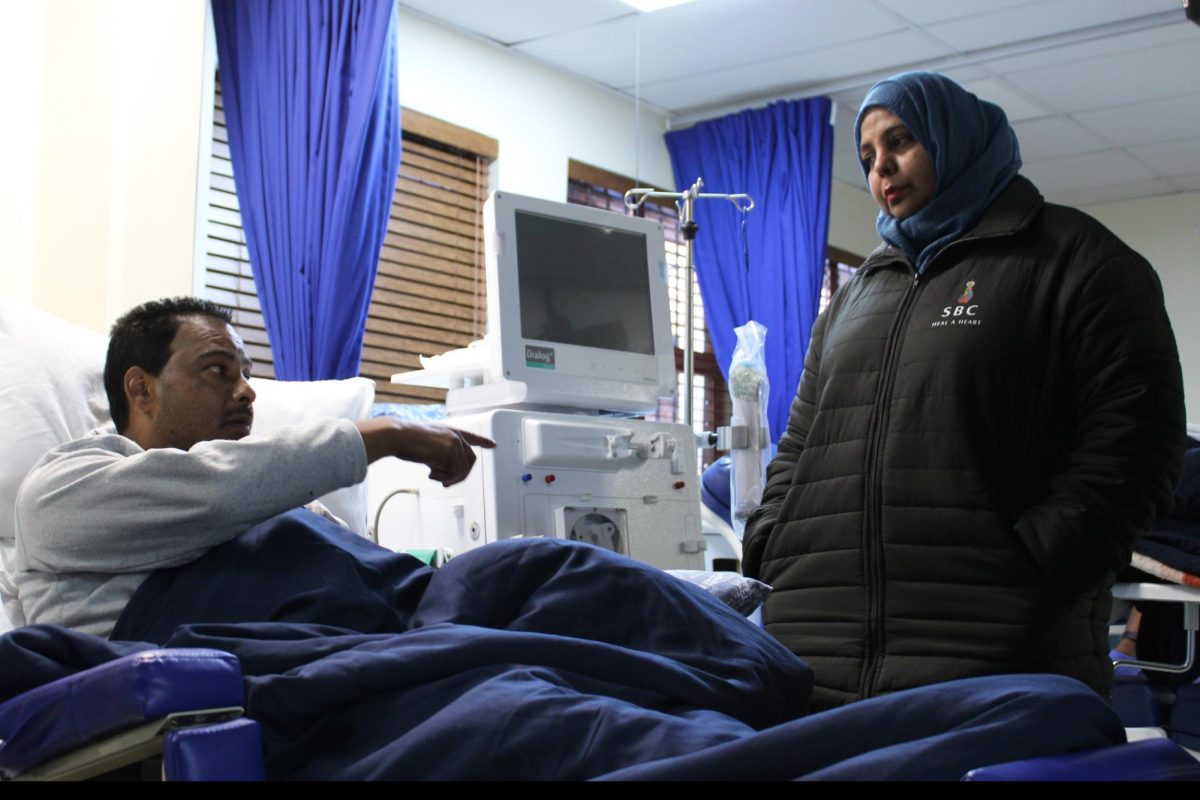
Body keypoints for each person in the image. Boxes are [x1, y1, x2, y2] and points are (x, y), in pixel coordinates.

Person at [741, 71, 1186, 711]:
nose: (882, 168)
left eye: (901, 141)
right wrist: (771, 542)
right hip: (818, 655)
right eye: (867, 157)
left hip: (992, 653)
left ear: (956, 140)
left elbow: (1136, 446)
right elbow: (800, 444)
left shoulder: (1079, 261)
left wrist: (1038, 564)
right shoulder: (855, 296)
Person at [11, 297, 494, 638]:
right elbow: (212, 491)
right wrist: (386, 433)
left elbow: (373, 580)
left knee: (541, 567)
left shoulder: (274, 496)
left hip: (406, 627)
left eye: (245, 372)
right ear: (141, 389)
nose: (246, 390)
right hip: (297, 676)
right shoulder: (60, 491)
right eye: (218, 370)